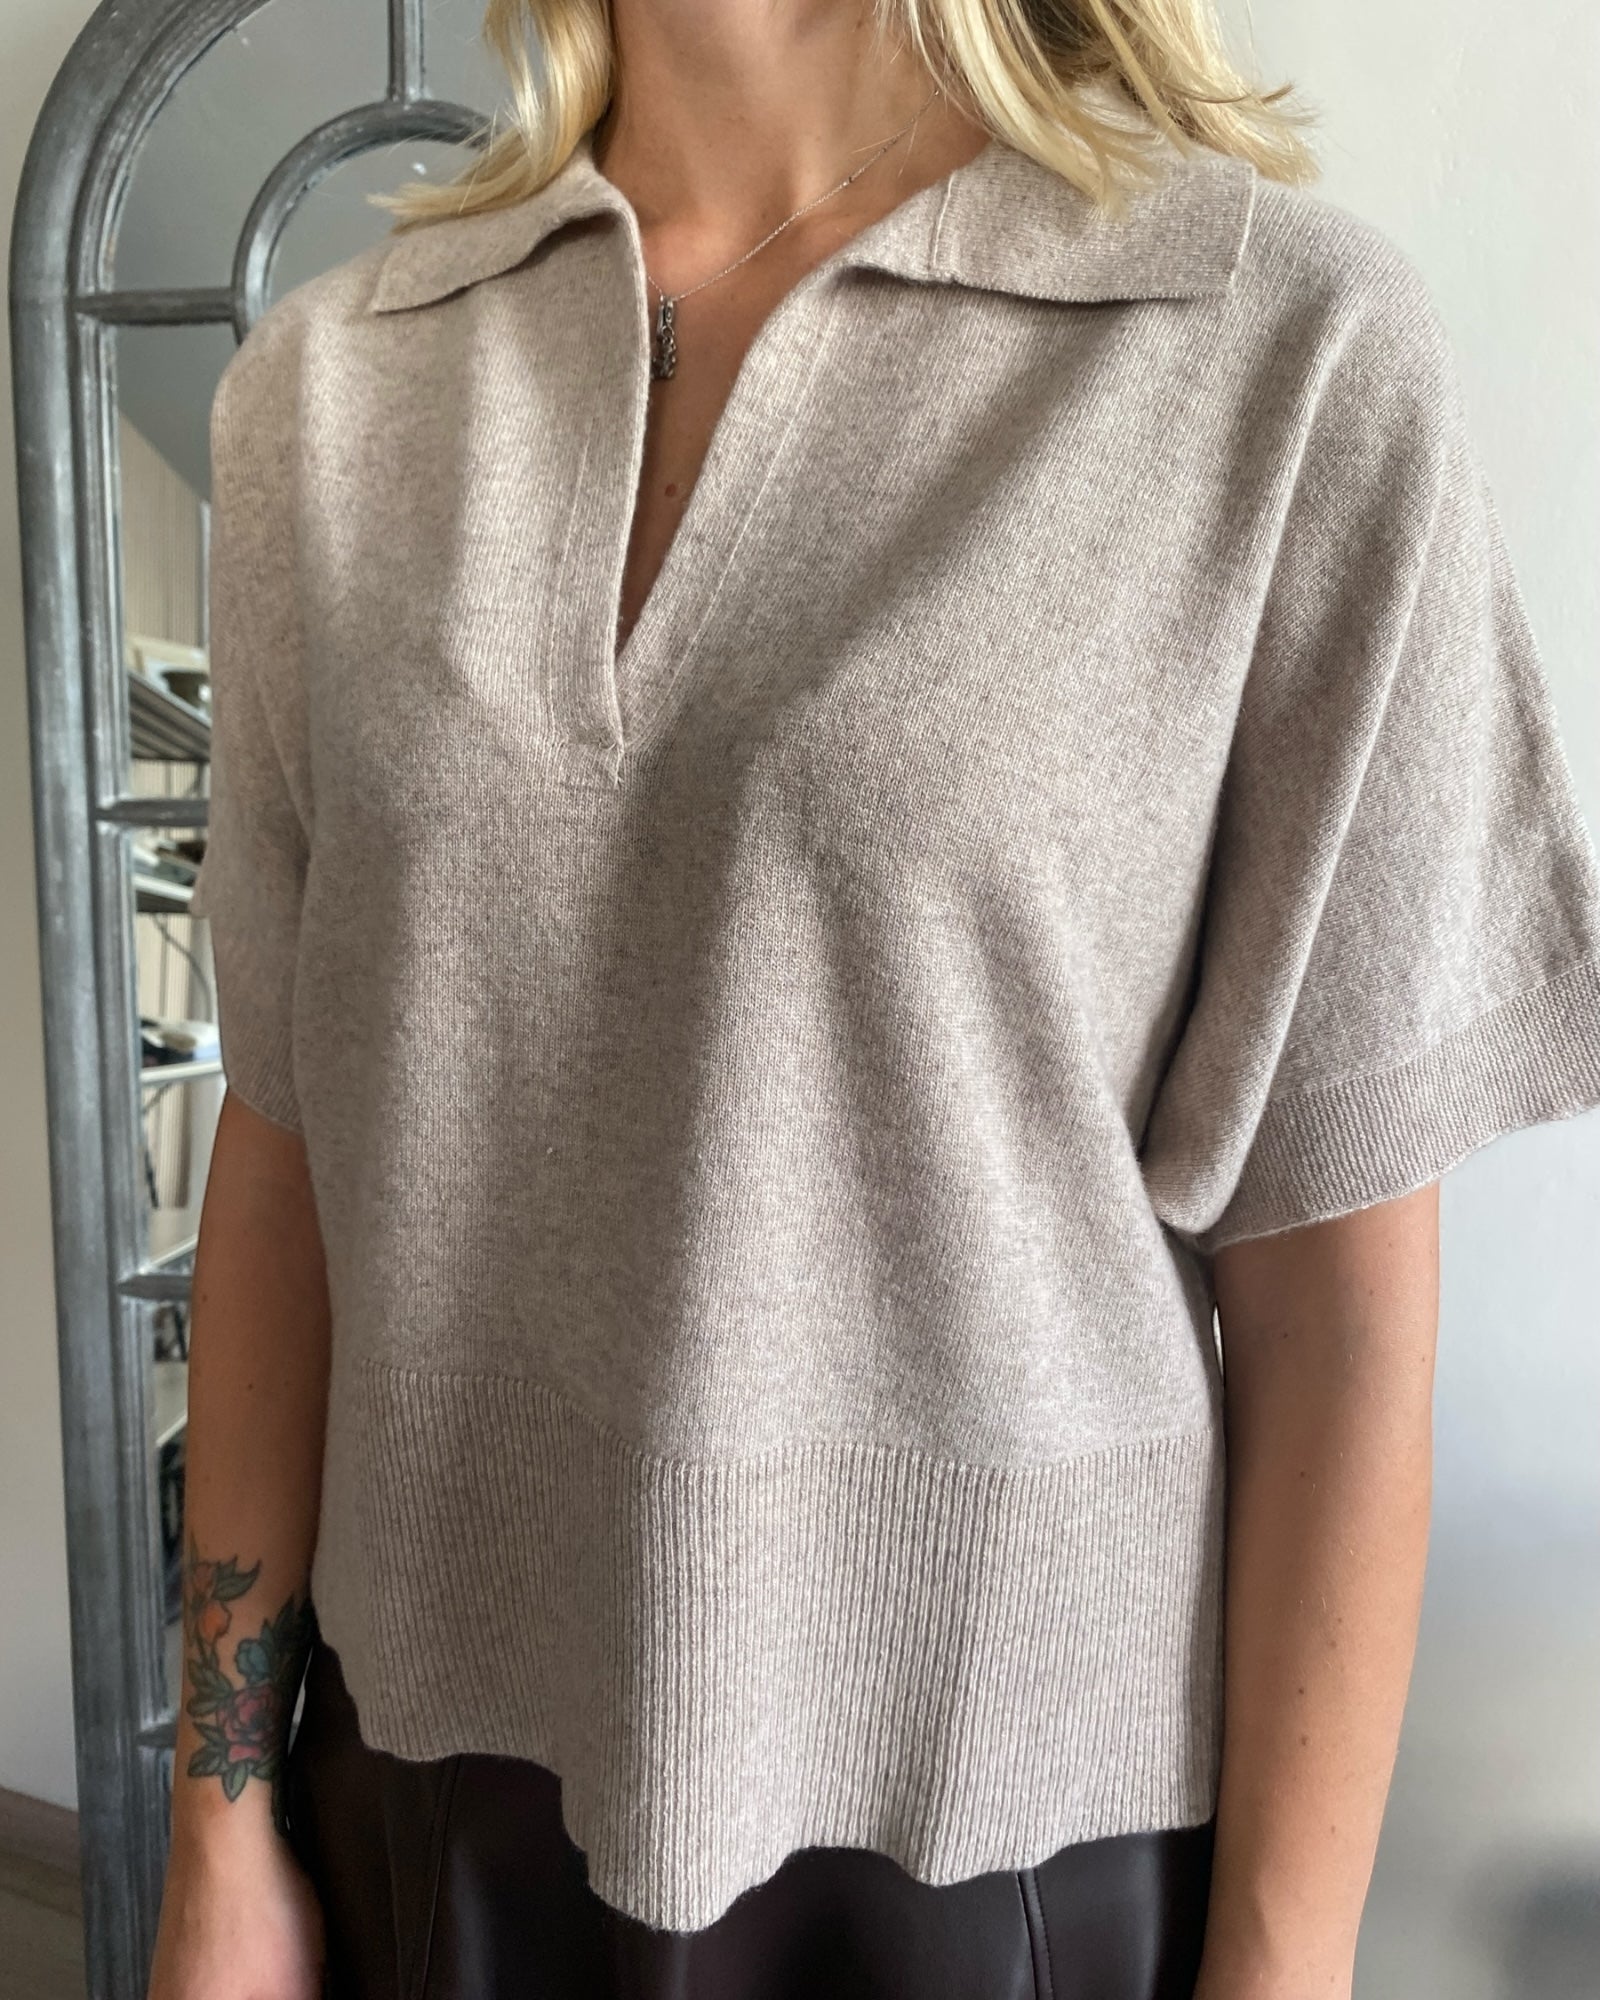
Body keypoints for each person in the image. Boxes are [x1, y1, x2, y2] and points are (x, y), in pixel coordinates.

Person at [147, 1, 1600, 1996]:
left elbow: (1333, 1310)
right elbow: (289, 1154)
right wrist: (217, 1824)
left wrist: (1280, 1967)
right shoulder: (335, 389)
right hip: (428, 1801)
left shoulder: (1273, 348)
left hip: (1003, 1849)